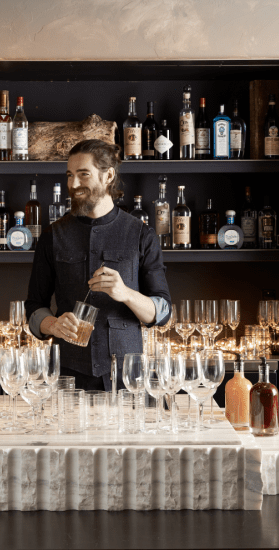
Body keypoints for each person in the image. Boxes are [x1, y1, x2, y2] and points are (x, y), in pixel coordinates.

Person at [25, 139, 171, 391]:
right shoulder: (53, 235)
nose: (73, 184)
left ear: (108, 176)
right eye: (70, 175)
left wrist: (125, 293)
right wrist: (53, 325)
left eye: (83, 175)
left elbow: (162, 312)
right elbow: (34, 307)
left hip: (128, 379)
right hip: (67, 378)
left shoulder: (141, 234)